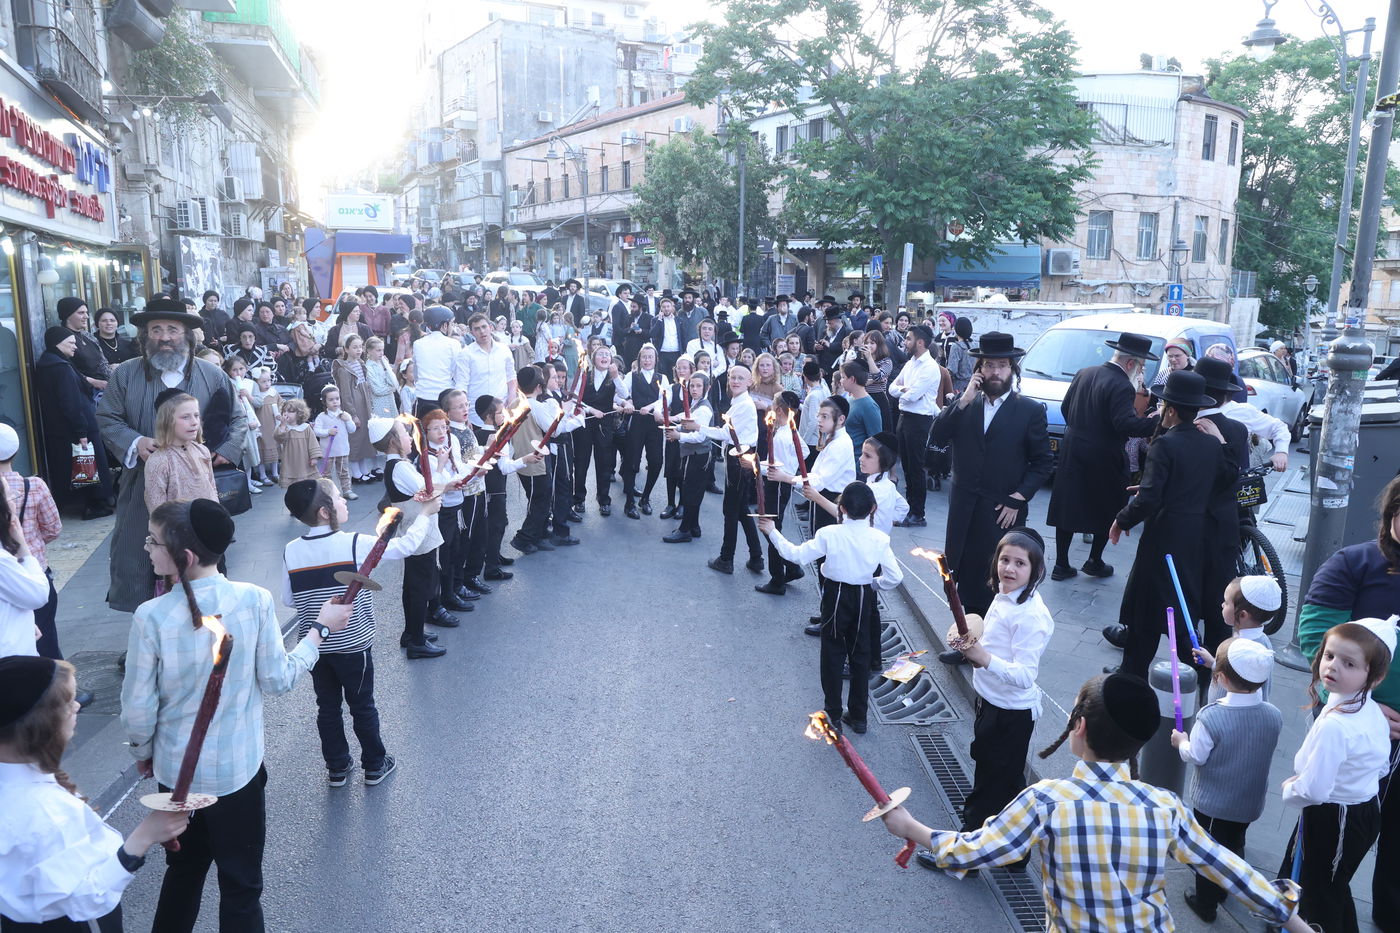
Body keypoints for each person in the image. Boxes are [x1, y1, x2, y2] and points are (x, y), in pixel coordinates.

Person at [880, 672, 1310, 932]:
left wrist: (910, 828)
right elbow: (1228, 869)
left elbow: (980, 848)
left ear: (1079, 727)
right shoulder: (1164, 806)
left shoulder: (1047, 800)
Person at [120, 498, 351, 932]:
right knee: (241, 884)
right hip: (238, 775)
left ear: (183, 557)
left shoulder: (150, 617)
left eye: (153, 541)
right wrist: (317, 630)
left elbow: (137, 709)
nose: (147, 548)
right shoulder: (255, 600)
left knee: (184, 872)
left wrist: (143, 750)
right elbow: (279, 679)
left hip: (179, 774)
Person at [0, 656, 190, 930]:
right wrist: (145, 835)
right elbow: (87, 899)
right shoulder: (47, 813)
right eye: (68, 704)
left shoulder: (21, 786)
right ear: (43, 726)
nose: (77, 706)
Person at [1296, 475, 1400, 928]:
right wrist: (1359, 706)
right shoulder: (1353, 564)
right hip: (1353, 734)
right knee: (1325, 840)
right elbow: (1316, 642)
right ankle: (1299, 910)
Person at [282, 478, 434, 785]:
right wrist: (427, 514)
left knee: (327, 706)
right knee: (362, 704)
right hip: (353, 643)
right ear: (325, 512)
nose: (345, 502)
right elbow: (405, 546)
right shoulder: (353, 543)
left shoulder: (291, 550)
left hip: (316, 645)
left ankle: (337, 766)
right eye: (339, 498)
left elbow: (288, 599)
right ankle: (375, 763)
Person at [923, 527, 1052, 855]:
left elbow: (1025, 675)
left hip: (1010, 714)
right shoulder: (1006, 595)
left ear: (1036, 571)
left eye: (1020, 563)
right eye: (1005, 559)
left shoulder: (1032, 617)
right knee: (1007, 784)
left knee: (989, 785)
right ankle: (1015, 853)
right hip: (992, 703)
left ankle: (965, 853)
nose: (1009, 568)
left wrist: (983, 657)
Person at [928, 333, 1053, 658]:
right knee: (961, 578)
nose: (995, 371)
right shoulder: (965, 404)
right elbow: (937, 436)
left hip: (1001, 510)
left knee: (996, 578)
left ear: (1012, 369)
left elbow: (1042, 463)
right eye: (989, 365)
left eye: (1001, 365)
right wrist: (964, 398)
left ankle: (992, 648)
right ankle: (967, 640)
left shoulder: (1029, 410)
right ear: (979, 368)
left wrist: (1017, 498)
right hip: (963, 508)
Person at [1108, 371, 1236, 681]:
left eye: (1163, 404)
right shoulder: (1209, 445)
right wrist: (1222, 444)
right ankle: (1134, 671)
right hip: (1195, 537)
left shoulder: (1165, 445)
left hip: (1164, 537)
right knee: (1176, 604)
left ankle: (1176, 671)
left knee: (1153, 606)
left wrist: (1121, 520)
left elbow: (1150, 498)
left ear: (1172, 410)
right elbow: (1225, 478)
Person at [759, 482, 902, 735]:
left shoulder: (829, 533)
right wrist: (872, 584)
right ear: (873, 509)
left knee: (833, 655)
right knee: (860, 657)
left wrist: (772, 532)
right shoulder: (880, 538)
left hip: (836, 594)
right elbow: (894, 577)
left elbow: (796, 555)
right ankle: (859, 716)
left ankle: (833, 714)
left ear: (842, 508)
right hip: (863, 595)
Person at [1280, 618, 1394, 933]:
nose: (1333, 666)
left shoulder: (1336, 724)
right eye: (1329, 656)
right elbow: (1382, 764)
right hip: (1360, 812)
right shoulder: (1369, 709)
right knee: (1332, 883)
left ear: (1374, 676)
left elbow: (1314, 790)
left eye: (1349, 663)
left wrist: (1291, 788)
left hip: (1335, 817)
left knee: (1320, 894)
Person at [1169, 637, 1282, 923]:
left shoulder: (1212, 716)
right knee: (1234, 840)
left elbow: (1195, 755)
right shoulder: (1273, 715)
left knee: (1209, 850)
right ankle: (1230, 881)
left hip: (1214, 803)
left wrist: (1181, 741)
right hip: (1249, 801)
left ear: (1219, 678)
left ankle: (1206, 901)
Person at [1045, 332, 1158, 580]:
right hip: (1104, 456)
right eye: (1141, 366)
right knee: (1108, 506)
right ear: (1130, 364)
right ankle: (1094, 560)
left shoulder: (1085, 372)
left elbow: (1066, 408)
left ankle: (1061, 564)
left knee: (1068, 505)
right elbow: (1125, 425)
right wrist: (1157, 423)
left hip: (1073, 450)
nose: (1141, 373)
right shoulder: (1121, 385)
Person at [368, 417, 448, 658]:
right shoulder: (400, 467)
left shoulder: (399, 464)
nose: (410, 438)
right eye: (405, 434)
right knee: (419, 586)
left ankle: (413, 632)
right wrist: (441, 468)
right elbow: (428, 490)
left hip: (417, 531)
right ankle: (415, 640)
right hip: (417, 533)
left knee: (415, 584)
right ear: (393, 441)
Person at [35, 327, 113, 520]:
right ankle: (94, 505)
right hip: (78, 427)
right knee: (87, 466)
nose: (75, 347)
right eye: (71, 343)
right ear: (57, 344)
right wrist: (82, 431)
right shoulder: (60, 367)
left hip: (64, 428)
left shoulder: (52, 363)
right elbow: (71, 402)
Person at [701, 365, 764, 575]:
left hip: (740, 459)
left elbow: (725, 434)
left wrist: (698, 428)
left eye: (740, 378)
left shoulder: (744, 404)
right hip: (738, 456)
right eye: (732, 377)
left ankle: (726, 558)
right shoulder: (739, 402)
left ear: (749, 382)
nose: (735, 381)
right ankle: (756, 557)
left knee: (731, 510)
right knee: (741, 509)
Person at [474, 396, 539, 579]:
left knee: (496, 524)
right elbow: (505, 467)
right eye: (500, 412)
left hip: (490, 488)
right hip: (494, 489)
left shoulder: (481, 433)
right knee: (497, 525)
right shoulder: (495, 437)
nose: (505, 415)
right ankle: (491, 568)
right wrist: (525, 460)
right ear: (488, 416)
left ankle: (493, 556)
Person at [1190, 575, 1280, 702]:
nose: (1222, 605)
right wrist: (1213, 663)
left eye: (1226, 602)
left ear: (1242, 615)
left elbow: (1233, 683)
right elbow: (1238, 675)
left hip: (1224, 717)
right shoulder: (1263, 641)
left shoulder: (1240, 649)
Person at [753, 391, 807, 596]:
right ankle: (791, 568)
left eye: (772, 404)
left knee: (770, 528)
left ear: (777, 409)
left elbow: (776, 468)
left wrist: (756, 466)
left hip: (776, 487)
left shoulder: (783, 436)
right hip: (780, 485)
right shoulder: (788, 429)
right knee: (770, 527)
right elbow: (804, 452)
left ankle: (778, 579)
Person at [888, 324, 941, 528]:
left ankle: (918, 513)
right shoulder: (910, 363)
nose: (905, 342)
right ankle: (910, 509)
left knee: (916, 468)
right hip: (905, 417)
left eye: (908, 339)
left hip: (919, 420)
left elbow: (913, 395)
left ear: (920, 342)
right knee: (907, 467)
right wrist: (904, 389)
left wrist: (903, 391)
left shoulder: (929, 367)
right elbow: (892, 388)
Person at [142, 391, 218, 520]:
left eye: (196, 415)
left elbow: (212, 489)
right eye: (186, 417)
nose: (194, 422)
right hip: (180, 532)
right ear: (167, 421)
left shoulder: (203, 451)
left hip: (210, 525)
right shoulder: (159, 461)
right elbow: (157, 512)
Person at [615, 345, 669, 519]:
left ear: (655, 359)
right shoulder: (632, 376)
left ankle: (645, 498)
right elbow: (618, 395)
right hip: (636, 423)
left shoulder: (663, 378)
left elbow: (665, 399)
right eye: (644, 357)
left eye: (650, 357)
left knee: (656, 461)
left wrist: (652, 407)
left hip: (654, 424)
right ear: (639, 359)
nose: (647, 360)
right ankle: (629, 502)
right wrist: (626, 403)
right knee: (632, 462)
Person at [662, 372, 714, 544]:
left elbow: (700, 437)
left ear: (706, 388)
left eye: (699, 386)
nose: (694, 389)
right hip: (693, 454)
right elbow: (688, 426)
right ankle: (694, 526)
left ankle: (684, 530)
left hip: (698, 455)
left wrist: (679, 436)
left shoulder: (704, 408)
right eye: (692, 385)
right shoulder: (695, 404)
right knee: (693, 491)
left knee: (691, 493)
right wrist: (676, 431)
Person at [0, 481, 50, 659]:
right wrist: (22, 543)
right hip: (11, 662)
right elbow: (39, 595)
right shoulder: (2, 561)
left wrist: (23, 620)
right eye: (9, 496)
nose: (14, 501)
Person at [573, 345, 621, 516]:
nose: (604, 357)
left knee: (604, 462)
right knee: (581, 462)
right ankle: (579, 499)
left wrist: (616, 377)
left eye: (607, 354)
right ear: (594, 358)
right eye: (601, 354)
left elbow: (624, 394)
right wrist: (591, 410)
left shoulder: (613, 376)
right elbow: (575, 399)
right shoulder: (585, 374)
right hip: (585, 422)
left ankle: (604, 499)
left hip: (604, 425)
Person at [409, 306, 461, 419]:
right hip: (445, 398)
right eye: (451, 324)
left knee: (422, 433)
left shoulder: (418, 344)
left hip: (422, 396)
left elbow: (416, 373)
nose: (453, 327)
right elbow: (456, 373)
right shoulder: (454, 344)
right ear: (444, 325)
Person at [313, 385, 357, 498]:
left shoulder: (344, 415)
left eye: (337, 399)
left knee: (344, 472)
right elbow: (316, 431)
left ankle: (347, 490)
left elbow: (352, 430)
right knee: (327, 473)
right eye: (331, 399)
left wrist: (348, 420)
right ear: (325, 402)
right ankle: (329, 492)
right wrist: (328, 431)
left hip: (342, 450)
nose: (335, 402)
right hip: (328, 451)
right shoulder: (321, 416)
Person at [837, 362, 881, 467]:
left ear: (852, 379)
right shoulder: (851, 399)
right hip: (845, 459)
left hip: (857, 463)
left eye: (843, 377)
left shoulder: (869, 406)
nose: (840, 380)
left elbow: (875, 441)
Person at [274, 398, 322, 487]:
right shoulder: (284, 427)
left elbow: (313, 443)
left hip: (305, 461)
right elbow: (278, 438)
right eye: (284, 411)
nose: (286, 414)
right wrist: (283, 426)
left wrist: (314, 457)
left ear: (299, 413)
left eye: (290, 411)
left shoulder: (306, 427)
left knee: (306, 483)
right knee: (292, 485)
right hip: (290, 460)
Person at [250, 368, 281, 487]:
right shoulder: (255, 396)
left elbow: (281, 403)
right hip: (261, 425)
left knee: (274, 447)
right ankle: (263, 475)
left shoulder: (273, 392)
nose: (267, 384)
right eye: (263, 381)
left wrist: (280, 413)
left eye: (269, 380)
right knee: (261, 449)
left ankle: (275, 473)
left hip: (273, 425)